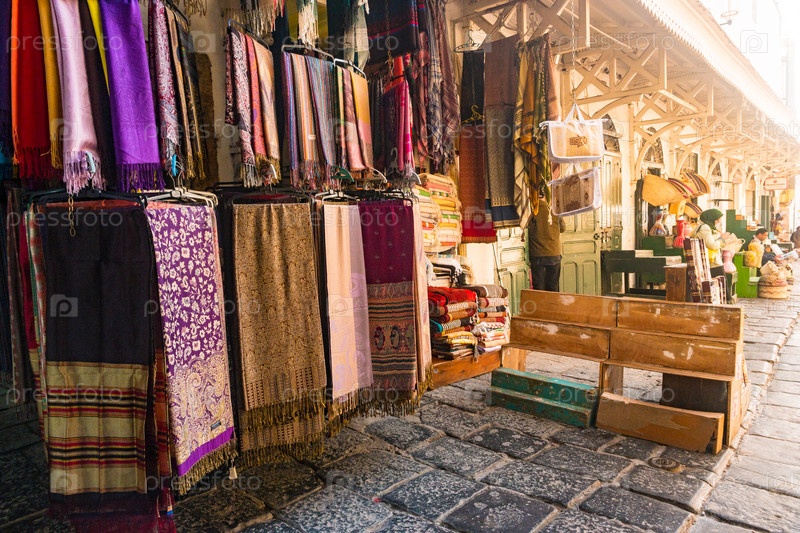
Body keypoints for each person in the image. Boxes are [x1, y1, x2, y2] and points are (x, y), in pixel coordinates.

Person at [693, 208, 733, 302]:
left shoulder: (709, 227)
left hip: (713, 260)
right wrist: (722, 239)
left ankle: (725, 302)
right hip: (711, 262)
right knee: (721, 284)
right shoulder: (704, 228)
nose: (718, 221)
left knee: (721, 284)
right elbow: (711, 245)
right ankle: (728, 303)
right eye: (717, 219)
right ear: (711, 218)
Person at [528, 197, 565, 292]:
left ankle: (540, 302)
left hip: (537, 253)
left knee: (538, 284)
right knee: (553, 284)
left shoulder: (531, 210)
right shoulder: (555, 210)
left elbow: (525, 226)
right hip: (554, 252)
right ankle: (553, 302)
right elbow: (563, 228)